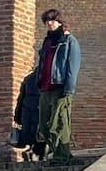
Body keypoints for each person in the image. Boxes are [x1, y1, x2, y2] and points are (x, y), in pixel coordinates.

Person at [35, 9, 81, 162]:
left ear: (60, 21)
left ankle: (62, 155)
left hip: (60, 87)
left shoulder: (69, 41)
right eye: (47, 21)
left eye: (52, 20)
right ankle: (59, 153)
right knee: (43, 126)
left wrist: (69, 89)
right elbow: (41, 64)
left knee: (59, 123)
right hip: (45, 88)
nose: (49, 23)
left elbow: (72, 66)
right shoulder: (47, 42)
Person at [12, 68, 41, 161]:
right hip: (38, 108)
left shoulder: (28, 79)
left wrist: (17, 116)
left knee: (27, 132)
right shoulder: (45, 78)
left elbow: (20, 98)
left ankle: (29, 151)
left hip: (26, 108)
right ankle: (36, 154)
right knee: (38, 133)